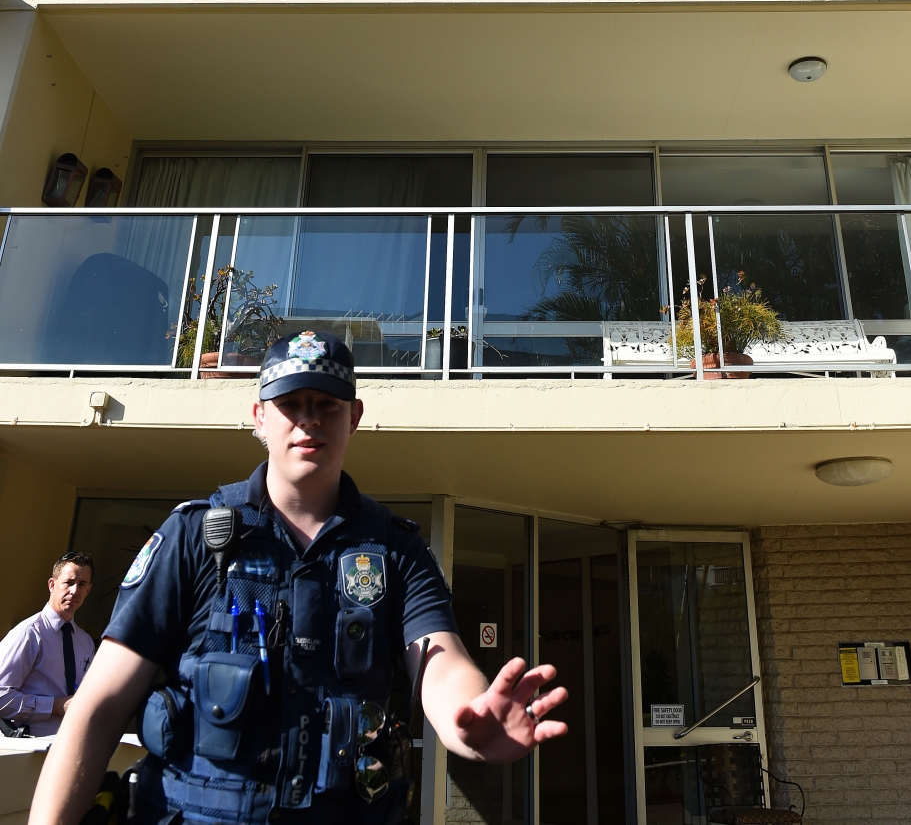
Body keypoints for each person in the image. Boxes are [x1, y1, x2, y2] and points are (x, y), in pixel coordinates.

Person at [29, 330, 567, 824]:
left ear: (353, 416)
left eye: (326, 405)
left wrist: (466, 720)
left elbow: (440, 659)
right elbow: (97, 711)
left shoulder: (396, 550)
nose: (308, 420)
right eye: (290, 404)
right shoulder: (192, 537)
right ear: (260, 417)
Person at [0, 551, 94, 737]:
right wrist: (54, 706)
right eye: (68, 582)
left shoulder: (85, 642)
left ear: (88, 590)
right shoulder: (28, 634)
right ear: (52, 585)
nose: (74, 591)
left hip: (70, 745)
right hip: (29, 752)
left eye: (82, 584)